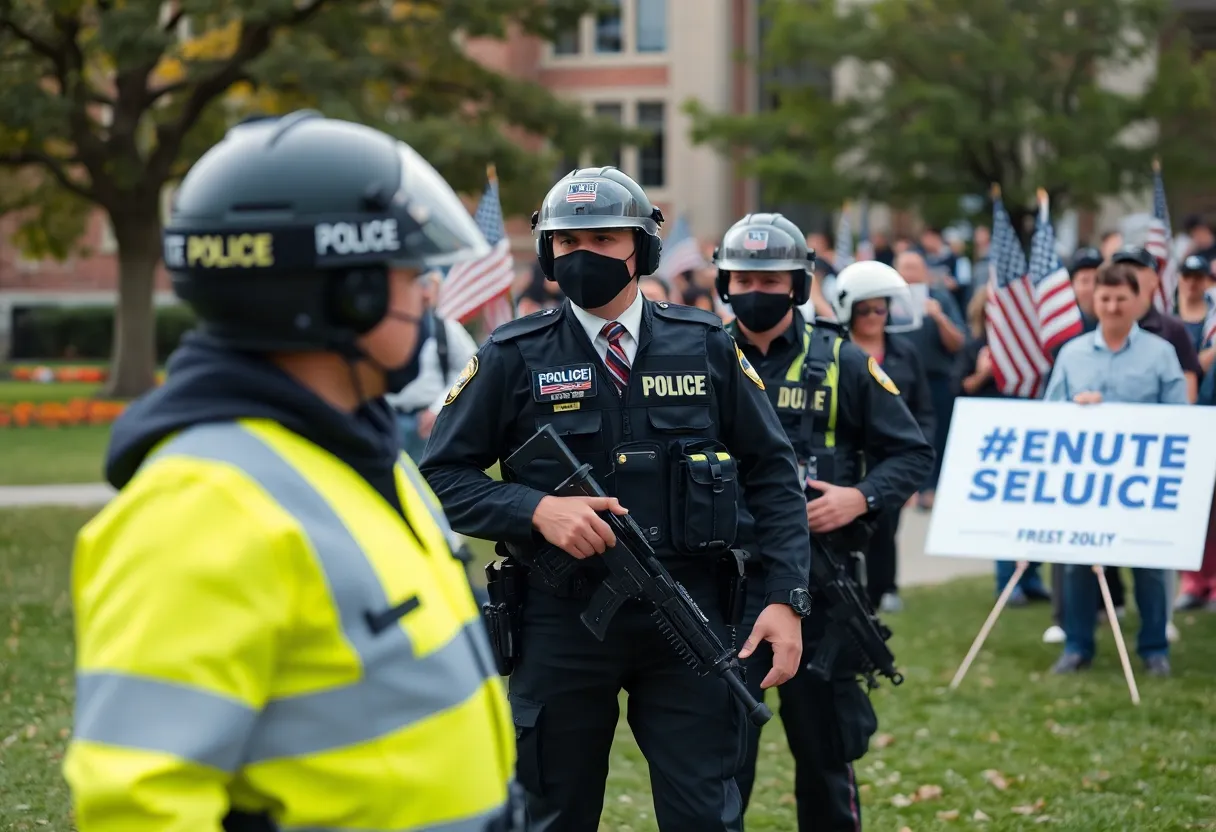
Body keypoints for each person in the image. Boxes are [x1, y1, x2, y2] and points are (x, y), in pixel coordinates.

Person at [63, 112, 519, 831]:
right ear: (342, 293)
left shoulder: (358, 453)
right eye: (408, 274)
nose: (430, 295)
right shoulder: (198, 510)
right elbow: (141, 808)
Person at [419, 167, 812, 832]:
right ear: (547, 254)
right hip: (560, 619)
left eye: (603, 238)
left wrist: (785, 598)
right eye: (567, 243)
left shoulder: (706, 344)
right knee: (552, 813)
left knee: (706, 816)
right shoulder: (514, 354)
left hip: (691, 614)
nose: (584, 256)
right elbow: (443, 476)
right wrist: (536, 512)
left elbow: (772, 473)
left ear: (641, 249)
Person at [715, 219, 934, 832]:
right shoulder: (700, 355)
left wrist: (860, 497)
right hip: (725, 586)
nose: (755, 289)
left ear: (798, 284)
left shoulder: (844, 361)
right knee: (721, 762)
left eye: (770, 279)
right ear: (724, 283)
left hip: (823, 583)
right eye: (743, 278)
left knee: (826, 754)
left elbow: (913, 454)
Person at [1045, 261, 1187, 677]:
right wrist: (1075, 410)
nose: (1111, 306)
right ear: (1093, 301)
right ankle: (1077, 646)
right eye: (1104, 298)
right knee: (1077, 566)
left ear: (1138, 300)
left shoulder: (1161, 354)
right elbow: (1049, 414)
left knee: (1148, 566)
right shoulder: (1072, 354)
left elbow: (1180, 415)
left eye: (1120, 298)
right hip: (1086, 484)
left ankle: (1154, 649)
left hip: (1141, 485)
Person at [837, 262, 935, 613]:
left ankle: (885, 588)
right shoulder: (836, 351)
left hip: (891, 459)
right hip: (848, 460)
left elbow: (923, 411)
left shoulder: (905, 352)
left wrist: (915, 467)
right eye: (865, 309)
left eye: (881, 307)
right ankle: (850, 593)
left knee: (886, 526)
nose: (874, 315)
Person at [894, 250, 965, 510]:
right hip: (897, 379)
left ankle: (931, 488)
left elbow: (958, 343)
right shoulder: (888, 300)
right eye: (905, 268)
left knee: (936, 436)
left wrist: (938, 316)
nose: (910, 275)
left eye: (915, 268)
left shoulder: (940, 298)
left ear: (925, 272)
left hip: (935, 378)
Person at [386, 272, 480, 461]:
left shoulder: (446, 329)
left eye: (430, 286)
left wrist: (439, 408)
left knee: (427, 484)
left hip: (428, 423)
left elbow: (471, 369)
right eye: (421, 285)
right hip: (388, 419)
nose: (426, 294)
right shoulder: (385, 326)